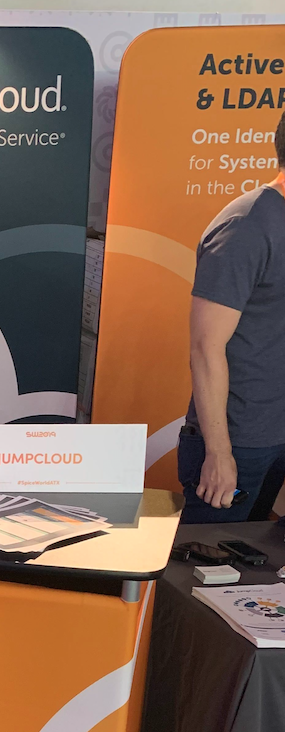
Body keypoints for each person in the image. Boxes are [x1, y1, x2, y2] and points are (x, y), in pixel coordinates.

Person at [178, 110, 285, 523]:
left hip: (277, 435)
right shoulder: (248, 226)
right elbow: (206, 347)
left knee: (260, 559)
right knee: (207, 558)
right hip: (239, 443)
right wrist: (219, 452)